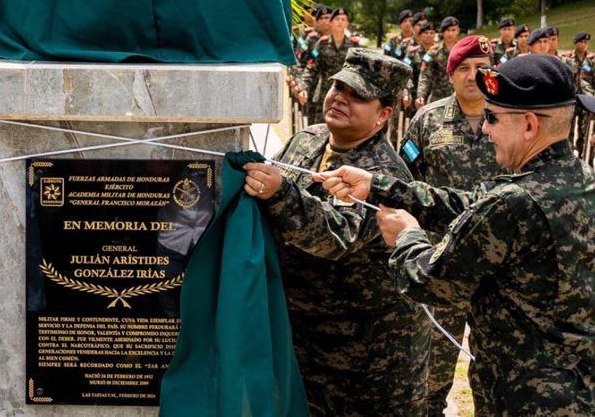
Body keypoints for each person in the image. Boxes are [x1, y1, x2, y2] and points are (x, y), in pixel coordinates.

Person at [321, 54, 595, 417]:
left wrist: (407, 236)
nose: (485, 130)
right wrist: (379, 185)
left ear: (529, 126)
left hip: (524, 399)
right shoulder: (581, 180)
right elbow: (470, 203)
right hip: (579, 389)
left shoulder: (512, 203)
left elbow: (428, 280)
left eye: (492, 118)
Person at [243, 48, 429, 416]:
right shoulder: (307, 140)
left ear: (384, 114)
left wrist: (281, 192)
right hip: (305, 339)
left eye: (358, 95)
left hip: (366, 356)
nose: (341, 98)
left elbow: (336, 237)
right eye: (338, 87)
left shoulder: (384, 176)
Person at [398, 34, 502, 416]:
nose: (473, 75)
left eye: (481, 67)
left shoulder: (510, 114)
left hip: (499, 264)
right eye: (464, 69)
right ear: (451, 75)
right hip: (444, 261)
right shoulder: (427, 122)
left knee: (500, 372)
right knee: (432, 372)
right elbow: (404, 182)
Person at [298, 7, 360, 124]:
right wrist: (304, 87)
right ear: (331, 23)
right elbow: (311, 68)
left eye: (343, 19)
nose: (340, 22)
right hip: (325, 94)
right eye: (337, 19)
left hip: (347, 95)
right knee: (320, 128)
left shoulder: (354, 44)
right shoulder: (322, 43)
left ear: (347, 23)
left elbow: (360, 70)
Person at [416, 16, 461, 108]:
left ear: (458, 31)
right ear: (442, 32)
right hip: (437, 100)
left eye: (453, 30)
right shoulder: (433, 52)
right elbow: (425, 75)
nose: (450, 33)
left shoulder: (463, 51)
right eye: (447, 30)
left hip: (459, 98)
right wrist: (421, 95)